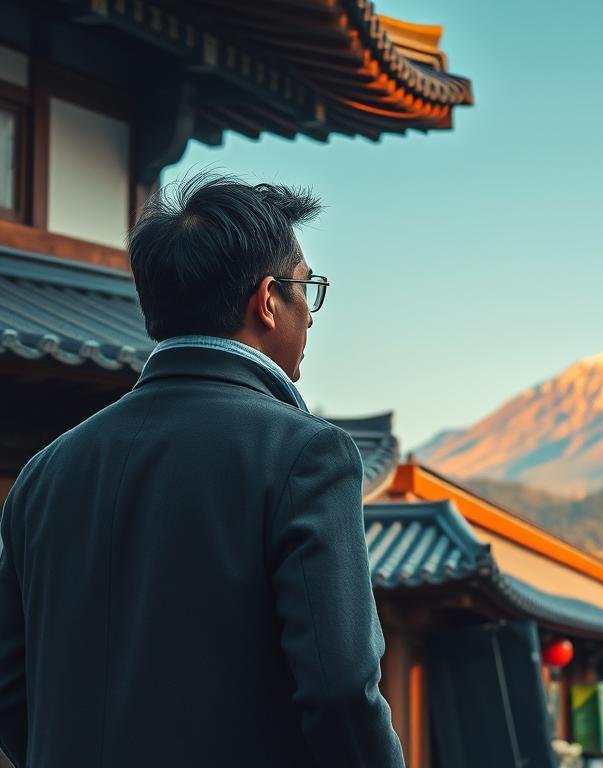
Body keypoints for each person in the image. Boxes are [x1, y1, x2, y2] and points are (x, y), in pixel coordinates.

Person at [0, 174, 401, 766]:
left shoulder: (43, 473)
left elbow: (10, 684)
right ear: (268, 301)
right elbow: (342, 690)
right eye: (306, 288)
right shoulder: (304, 455)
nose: (311, 317)